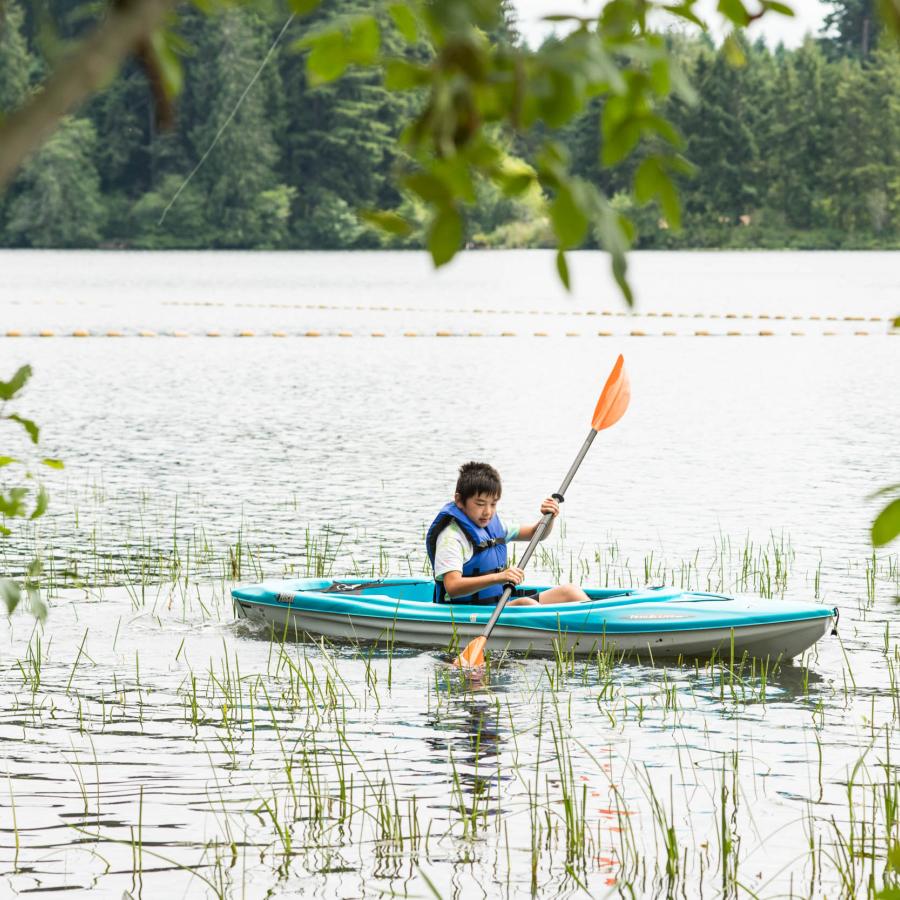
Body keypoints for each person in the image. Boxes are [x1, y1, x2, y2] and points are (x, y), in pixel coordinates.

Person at [425, 461, 590, 606]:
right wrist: (499, 577)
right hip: (467, 611)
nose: (488, 512)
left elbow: (535, 534)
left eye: (493, 504)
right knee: (526, 604)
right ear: (460, 501)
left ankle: (598, 627)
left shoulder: (494, 526)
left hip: (499, 603)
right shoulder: (451, 537)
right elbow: (453, 587)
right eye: (480, 504)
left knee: (570, 591)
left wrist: (549, 517)